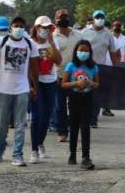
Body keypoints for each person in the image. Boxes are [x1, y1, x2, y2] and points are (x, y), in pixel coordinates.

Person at [0, 17, 40, 166]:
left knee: (20, 124)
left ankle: (18, 155)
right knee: (0, 124)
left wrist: (35, 86)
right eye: (16, 26)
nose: (19, 29)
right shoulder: (1, 42)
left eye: (21, 26)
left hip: (22, 89)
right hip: (3, 89)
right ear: (11, 27)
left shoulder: (30, 44)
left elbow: (34, 67)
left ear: (25, 28)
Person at [28, 16, 62, 164]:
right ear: (36, 28)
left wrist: (52, 43)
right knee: (36, 116)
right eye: (43, 27)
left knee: (46, 117)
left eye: (48, 28)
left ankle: (40, 143)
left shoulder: (52, 43)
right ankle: (34, 149)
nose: (45, 30)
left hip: (50, 82)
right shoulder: (30, 43)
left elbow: (59, 61)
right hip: (36, 83)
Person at [62, 40, 99, 170]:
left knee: (85, 126)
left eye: (86, 51)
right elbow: (64, 84)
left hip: (87, 97)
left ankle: (86, 156)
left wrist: (90, 83)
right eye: (81, 50)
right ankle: (72, 154)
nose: (83, 53)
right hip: (74, 97)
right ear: (76, 52)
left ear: (90, 52)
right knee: (73, 125)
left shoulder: (93, 67)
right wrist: (76, 84)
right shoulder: (71, 66)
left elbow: (97, 84)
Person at [81, 10, 118, 126]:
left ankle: (93, 119)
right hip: (85, 67)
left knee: (97, 94)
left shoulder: (108, 34)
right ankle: (84, 117)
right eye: (97, 17)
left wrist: (115, 68)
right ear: (93, 19)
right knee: (84, 92)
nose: (100, 19)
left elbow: (112, 52)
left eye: (102, 17)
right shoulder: (85, 32)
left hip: (100, 67)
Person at [53, 9, 82, 142]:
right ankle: (62, 131)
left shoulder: (78, 35)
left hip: (75, 76)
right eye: (60, 17)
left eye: (65, 16)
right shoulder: (52, 37)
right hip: (58, 75)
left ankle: (74, 130)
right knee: (60, 106)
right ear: (55, 20)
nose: (63, 19)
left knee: (75, 105)